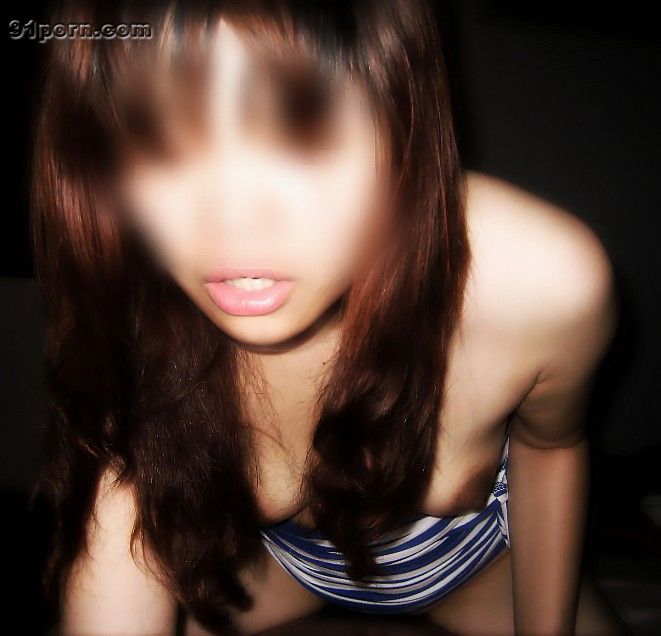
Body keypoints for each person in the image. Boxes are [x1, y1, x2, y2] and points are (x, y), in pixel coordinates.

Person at [31, 1, 626, 634]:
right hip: (285, 573)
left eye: (302, 135)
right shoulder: (140, 331)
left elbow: (551, 445)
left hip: (480, 576)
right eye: (159, 143)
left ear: (404, 117)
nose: (232, 225)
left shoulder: (542, 284)